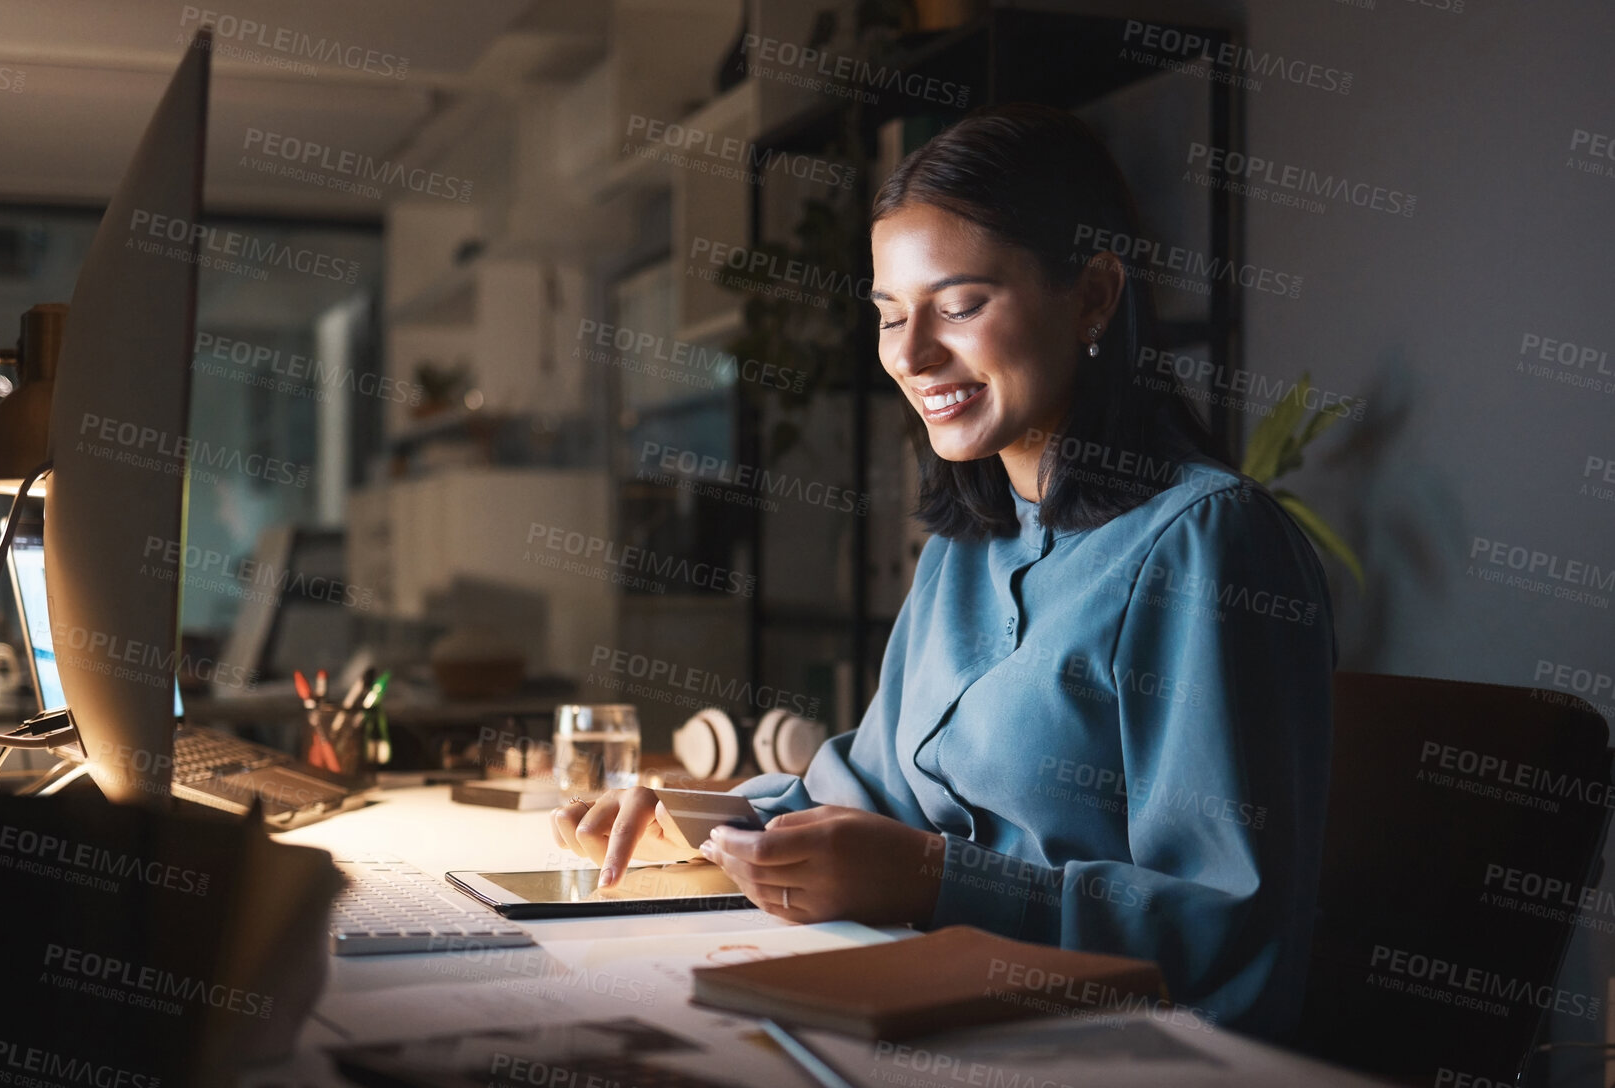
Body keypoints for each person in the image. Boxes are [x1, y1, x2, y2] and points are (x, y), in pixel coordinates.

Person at [551, 103, 1336, 1041]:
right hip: (927, 1016)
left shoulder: (1207, 545)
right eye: (890, 316)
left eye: (958, 306)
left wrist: (934, 880)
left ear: (1091, 295)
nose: (913, 355)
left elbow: (1226, 930)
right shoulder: (967, 545)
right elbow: (871, 794)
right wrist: (689, 810)